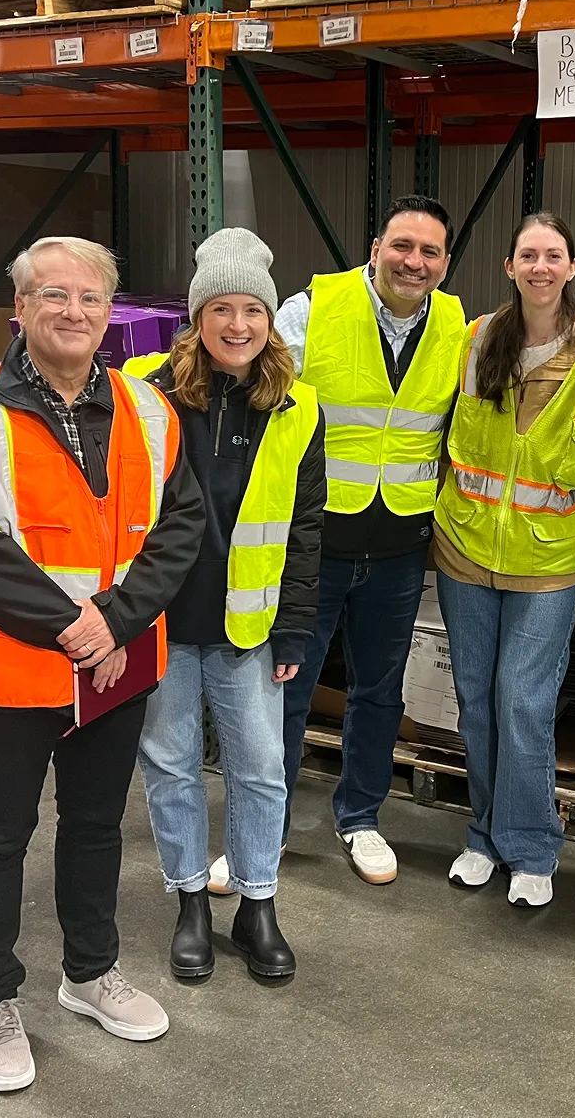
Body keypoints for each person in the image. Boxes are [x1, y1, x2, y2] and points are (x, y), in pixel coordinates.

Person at [0, 237, 205, 1094]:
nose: (72, 311)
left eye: (88, 297)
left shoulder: (151, 412)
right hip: (12, 668)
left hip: (116, 666)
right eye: (53, 295)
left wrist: (112, 621)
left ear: (109, 313)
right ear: (21, 312)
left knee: (95, 827)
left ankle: (89, 973)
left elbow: (181, 526)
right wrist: (74, 626)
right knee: (0, 836)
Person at [124, 229, 325, 983]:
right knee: (171, 764)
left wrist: (298, 626)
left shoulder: (297, 408)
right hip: (163, 619)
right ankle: (189, 902)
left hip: (251, 624)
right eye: (222, 309)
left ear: (270, 320)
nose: (237, 325)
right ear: (197, 315)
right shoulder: (144, 392)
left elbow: (306, 529)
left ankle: (256, 902)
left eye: (253, 311)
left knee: (261, 768)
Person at [260, 195, 466, 886]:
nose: (414, 261)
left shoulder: (457, 328)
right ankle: (266, 824)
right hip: (313, 541)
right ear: (376, 247)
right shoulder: (311, 310)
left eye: (430, 251)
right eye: (402, 246)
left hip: (401, 544)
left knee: (380, 691)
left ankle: (360, 817)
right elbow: (261, 402)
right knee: (286, 688)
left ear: (444, 263)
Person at [433, 213, 575, 907]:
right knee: (477, 702)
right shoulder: (478, 340)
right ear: (509, 267)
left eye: (553, 256)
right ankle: (483, 835)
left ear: (572, 268)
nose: (540, 267)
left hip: (549, 562)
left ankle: (533, 848)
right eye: (527, 255)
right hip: (465, 551)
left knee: (524, 702)